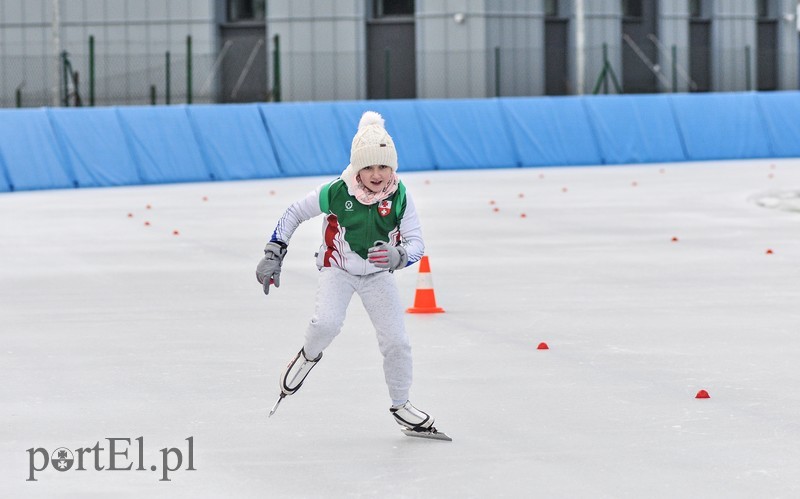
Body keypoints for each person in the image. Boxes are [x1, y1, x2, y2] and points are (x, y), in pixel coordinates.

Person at [256, 111, 436, 433]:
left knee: (397, 342)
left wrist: (398, 255)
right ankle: (308, 356)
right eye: (368, 167)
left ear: (392, 167)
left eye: (383, 166)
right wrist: (275, 251)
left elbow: (417, 243)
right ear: (356, 168)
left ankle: (401, 404)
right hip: (338, 268)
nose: (376, 174)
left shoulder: (400, 196)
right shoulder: (337, 191)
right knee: (326, 324)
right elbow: (295, 212)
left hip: (378, 274)